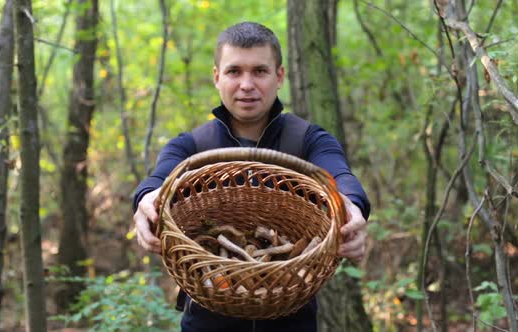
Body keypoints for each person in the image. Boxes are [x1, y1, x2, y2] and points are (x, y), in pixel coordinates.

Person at [133, 22, 370, 332]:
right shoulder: (191, 146)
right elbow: (157, 182)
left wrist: (351, 206)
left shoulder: (309, 140)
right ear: (217, 77)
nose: (247, 84)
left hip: (292, 319)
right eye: (234, 72)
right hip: (206, 319)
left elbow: (339, 175)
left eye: (259, 71)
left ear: (279, 76)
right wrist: (146, 200)